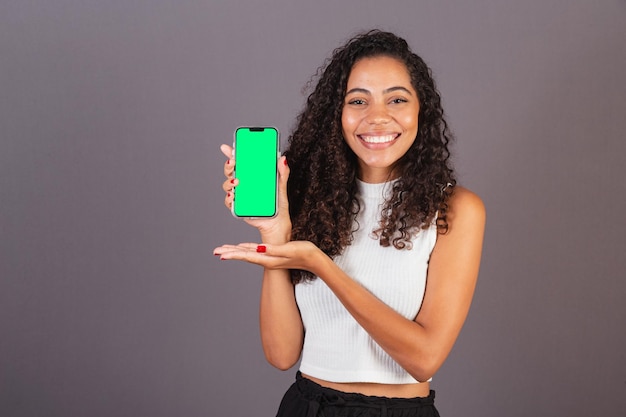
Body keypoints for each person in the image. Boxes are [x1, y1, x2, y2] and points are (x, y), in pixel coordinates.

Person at [214, 30, 485, 417]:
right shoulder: (311, 200)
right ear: (336, 115)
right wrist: (274, 235)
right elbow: (281, 354)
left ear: (420, 110)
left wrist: (320, 265)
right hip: (306, 406)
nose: (377, 117)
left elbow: (425, 359)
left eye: (397, 99)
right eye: (358, 100)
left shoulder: (455, 209)